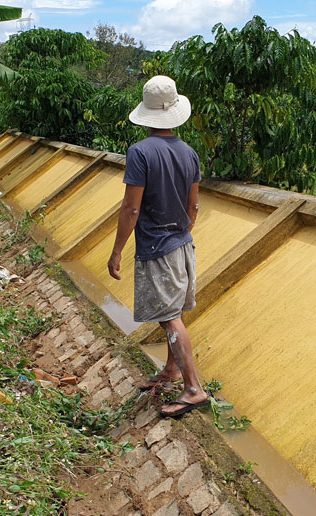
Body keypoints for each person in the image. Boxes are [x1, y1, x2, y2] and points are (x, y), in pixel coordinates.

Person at [107, 75, 209, 418]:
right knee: (175, 311)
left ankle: (193, 388)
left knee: (168, 318)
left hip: (158, 248)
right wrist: (182, 232)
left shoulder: (139, 153)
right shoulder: (189, 153)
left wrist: (118, 249)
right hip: (183, 245)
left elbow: (131, 207)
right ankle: (171, 372)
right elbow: (194, 206)